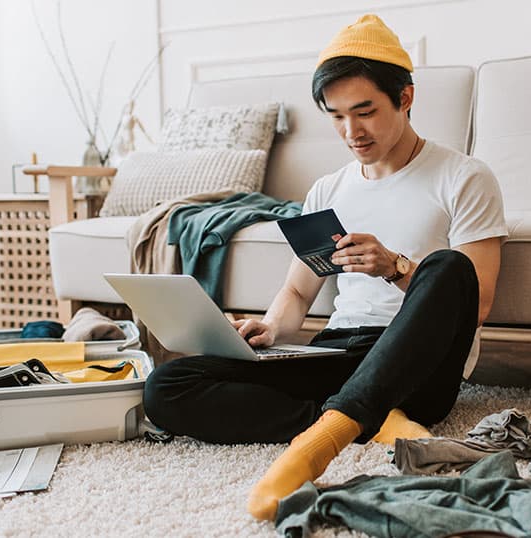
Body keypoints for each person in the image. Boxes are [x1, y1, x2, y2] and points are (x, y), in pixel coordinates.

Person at [141, 14, 507, 521]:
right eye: (335, 116)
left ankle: (321, 442)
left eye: (365, 112)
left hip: (416, 364)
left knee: (447, 266)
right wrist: (268, 330)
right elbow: (296, 294)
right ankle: (364, 420)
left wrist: (395, 266)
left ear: (405, 98)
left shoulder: (464, 177)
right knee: (166, 387)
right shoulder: (328, 190)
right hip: (338, 354)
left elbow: (477, 300)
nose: (351, 131)